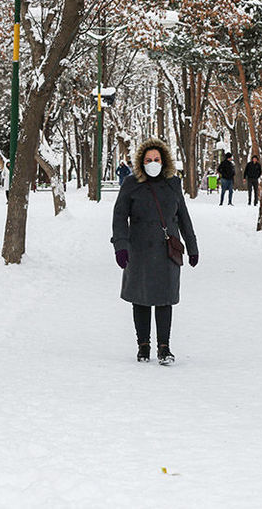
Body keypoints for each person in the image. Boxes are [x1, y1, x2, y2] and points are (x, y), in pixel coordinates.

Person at [112, 138, 198, 365]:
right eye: (148, 159)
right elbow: (119, 216)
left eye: (156, 159)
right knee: (140, 298)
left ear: (164, 161)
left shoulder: (173, 183)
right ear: (141, 162)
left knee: (164, 298)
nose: (152, 163)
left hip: (166, 249)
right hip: (138, 248)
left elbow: (183, 217)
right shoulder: (131, 184)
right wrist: (121, 246)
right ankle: (143, 346)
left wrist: (192, 247)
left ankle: (164, 347)